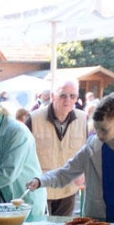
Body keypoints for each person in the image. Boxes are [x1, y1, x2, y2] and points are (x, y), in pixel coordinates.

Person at [28, 95, 114, 224]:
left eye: (104, 130)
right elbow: (66, 173)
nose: (99, 135)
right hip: (96, 223)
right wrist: (40, 181)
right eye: (96, 128)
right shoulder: (91, 147)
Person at [26, 79, 87, 217]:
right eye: (63, 95)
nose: (68, 100)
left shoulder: (83, 119)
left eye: (73, 96)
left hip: (68, 189)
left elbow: (86, 151)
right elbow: (22, 154)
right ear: (53, 96)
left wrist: (83, 172)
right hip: (40, 188)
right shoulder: (34, 119)